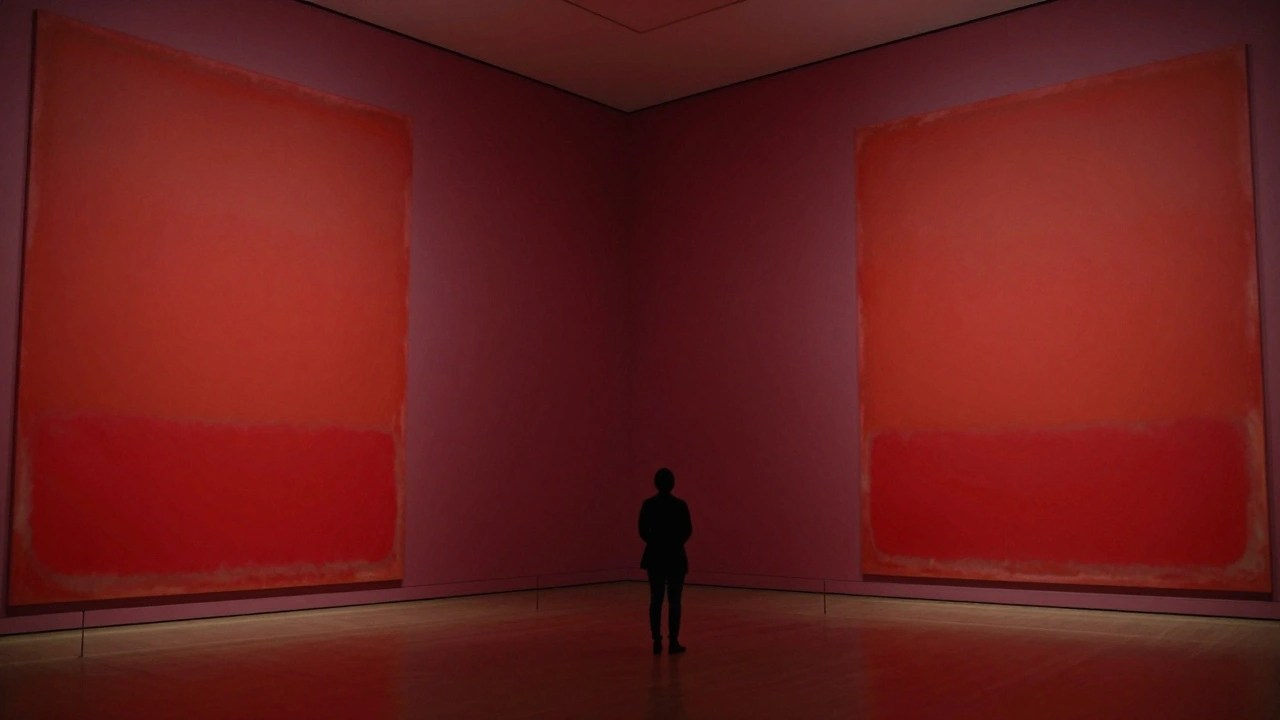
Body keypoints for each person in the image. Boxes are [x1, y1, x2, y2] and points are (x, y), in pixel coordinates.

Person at [639, 467, 692, 654]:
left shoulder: (648, 505)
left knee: (656, 598)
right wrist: (674, 543)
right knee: (675, 601)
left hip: (655, 556)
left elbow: (642, 531)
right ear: (672, 484)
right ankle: (674, 641)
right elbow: (687, 531)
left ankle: (656, 640)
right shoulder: (680, 505)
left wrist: (655, 542)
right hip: (675, 556)